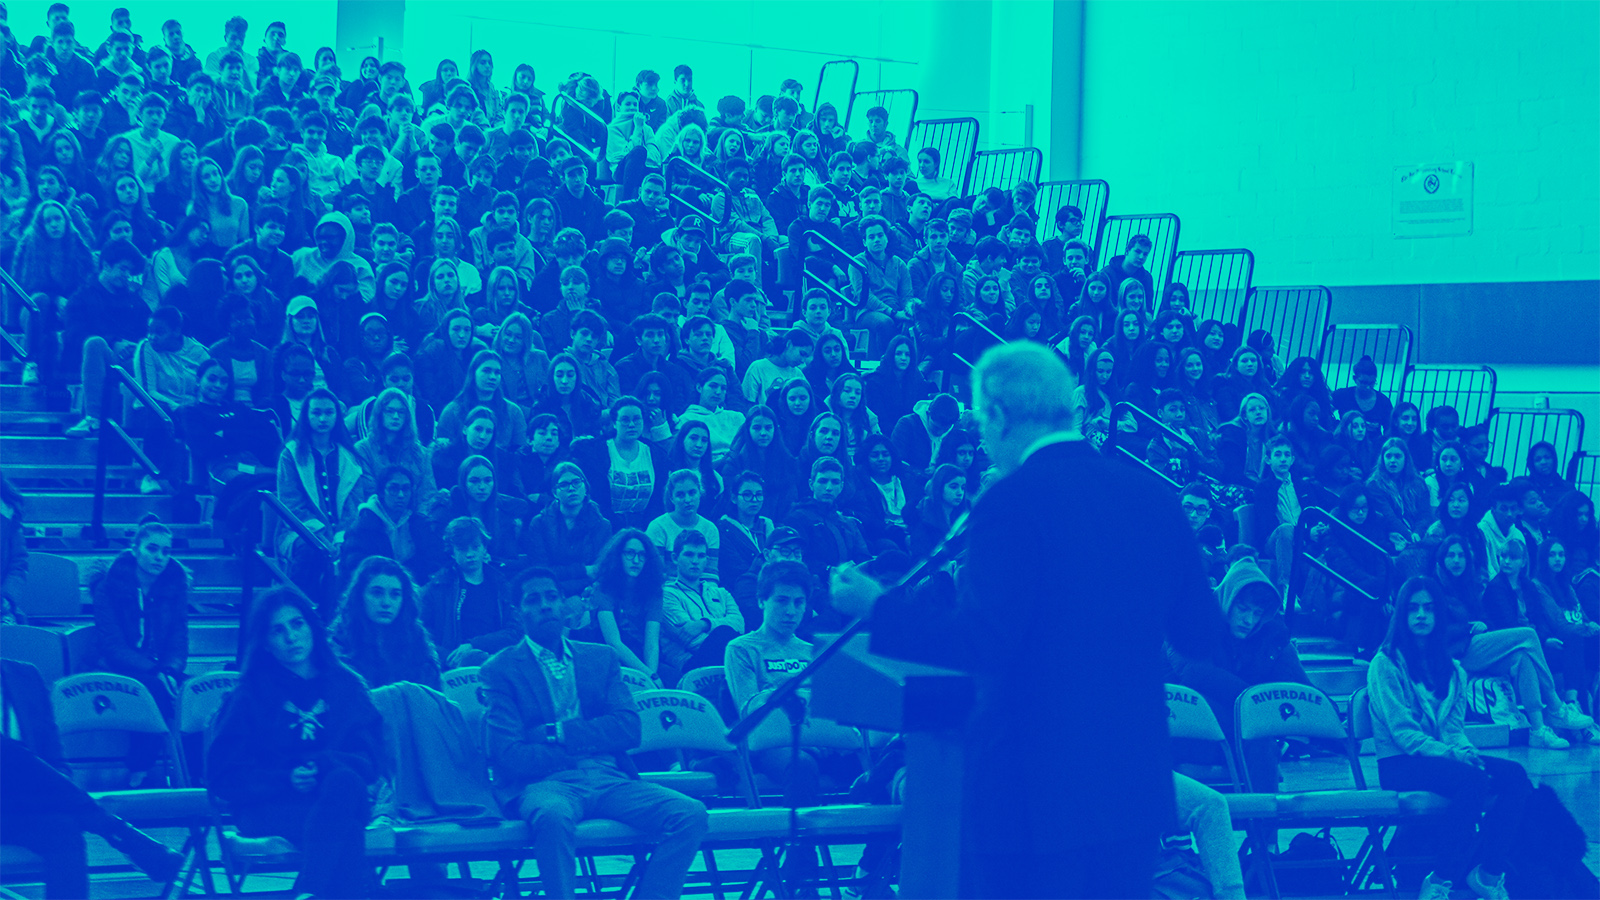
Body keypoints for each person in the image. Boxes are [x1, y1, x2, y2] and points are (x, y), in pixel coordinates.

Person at [831, 341, 1217, 899]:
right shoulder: (1153, 497)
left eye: (981, 424)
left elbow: (984, 643)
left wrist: (877, 607)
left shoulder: (1010, 502)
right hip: (1131, 784)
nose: (982, 439)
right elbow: (1198, 634)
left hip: (1030, 788)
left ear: (998, 414)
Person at [481, 566, 709, 899]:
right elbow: (508, 755)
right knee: (552, 817)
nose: (545, 605)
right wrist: (582, 748)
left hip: (609, 778)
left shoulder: (600, 658)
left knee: (691, 814)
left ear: (563, 605)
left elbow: (630, 729)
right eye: (533, 599)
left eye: (551, 597)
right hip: (546, 783)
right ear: (518, 612)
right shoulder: (499, 670)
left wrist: (556, 732)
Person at [1367, 576, 1535, 900]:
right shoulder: (1384, 664)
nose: (1421, 615)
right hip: (1400, 762)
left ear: (1438, 615)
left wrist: (1465, 751)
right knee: (1472, 781)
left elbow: (1454, 730)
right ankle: (1439, 881)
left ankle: (1488, 872)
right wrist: (1454, 756)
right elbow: (1403, 733)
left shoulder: (1455, 670)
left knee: (1515, 776)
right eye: (1413, 608)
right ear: (1401, 614)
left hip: (1443, 758)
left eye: (1428, 609)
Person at [206, 587, 381, 899]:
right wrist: (286, 780)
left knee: (342, 783)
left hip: (338, 796)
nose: (291, 637)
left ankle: (308, 891)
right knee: (346, 829)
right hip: (271, 807)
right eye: (278, 630)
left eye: (297, 624)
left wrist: (325, 764)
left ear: (312, 626)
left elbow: (369, 761)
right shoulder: (248, 696)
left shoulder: (347, 687)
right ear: (265, 644)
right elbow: (223, 777)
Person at [91, 519, 188, 725]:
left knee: (195, 693)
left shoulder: (174, 588)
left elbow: (178, 641)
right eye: (152, 549)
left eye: (166, 551)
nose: (159, 557)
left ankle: (191, 757)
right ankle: (144, 758)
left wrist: (169, 671)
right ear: (135, 550)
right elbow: (113, 647)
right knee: (154, 691)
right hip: (115, 667)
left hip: (160, 668)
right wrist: (155, 671)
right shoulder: (108, 588)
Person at [332, 555, 442, 690]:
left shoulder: (417, 638)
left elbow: (432, 695)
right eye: (377, 593)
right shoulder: (340, 639)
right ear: (360, 596)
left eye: (395, 594)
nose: (386, 603)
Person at [522, 462, 614, 599]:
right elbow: (540, 571)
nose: (572, 488)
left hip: (589, 594)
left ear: (586, 487)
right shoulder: (539, 523)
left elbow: (600, 571)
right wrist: (583, 570)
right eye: (564, 485)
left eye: (577, 482)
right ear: (555, 492)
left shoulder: (602, 525)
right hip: (550, 593)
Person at [661, 529, 745, 676]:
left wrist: (704, 624)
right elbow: (690, 640)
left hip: (728, 656)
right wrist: (725, 633)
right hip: (691, 665)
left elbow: (740, 624)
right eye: (689, 554)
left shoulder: (722, 593)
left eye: (701, 556)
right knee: (724, 633)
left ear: (706, 559)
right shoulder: (666, 595)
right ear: (675, 558)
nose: (695, 561)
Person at [587, 528, 666, 680]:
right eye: (630, 553)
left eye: (642, 555)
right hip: (612, 659)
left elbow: (651, 643)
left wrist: (652, 676)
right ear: (618, 555)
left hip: (643, 656)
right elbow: (613, 642)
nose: (636, 560)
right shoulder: (602, 589)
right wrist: (648, 675)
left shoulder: (654, 592)